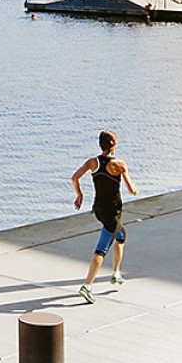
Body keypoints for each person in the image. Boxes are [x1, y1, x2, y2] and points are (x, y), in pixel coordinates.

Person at [70, 130, 138, 304]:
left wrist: (79, 195)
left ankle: (116, 273)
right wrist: (136, 190)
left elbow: (74, 177)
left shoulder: (93, 162)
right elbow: (131, 190)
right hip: (112, 212)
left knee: (121, 236)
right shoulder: (119, 164)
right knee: (101, 249)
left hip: (99, 208)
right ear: (114, 146)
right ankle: (87, 286)